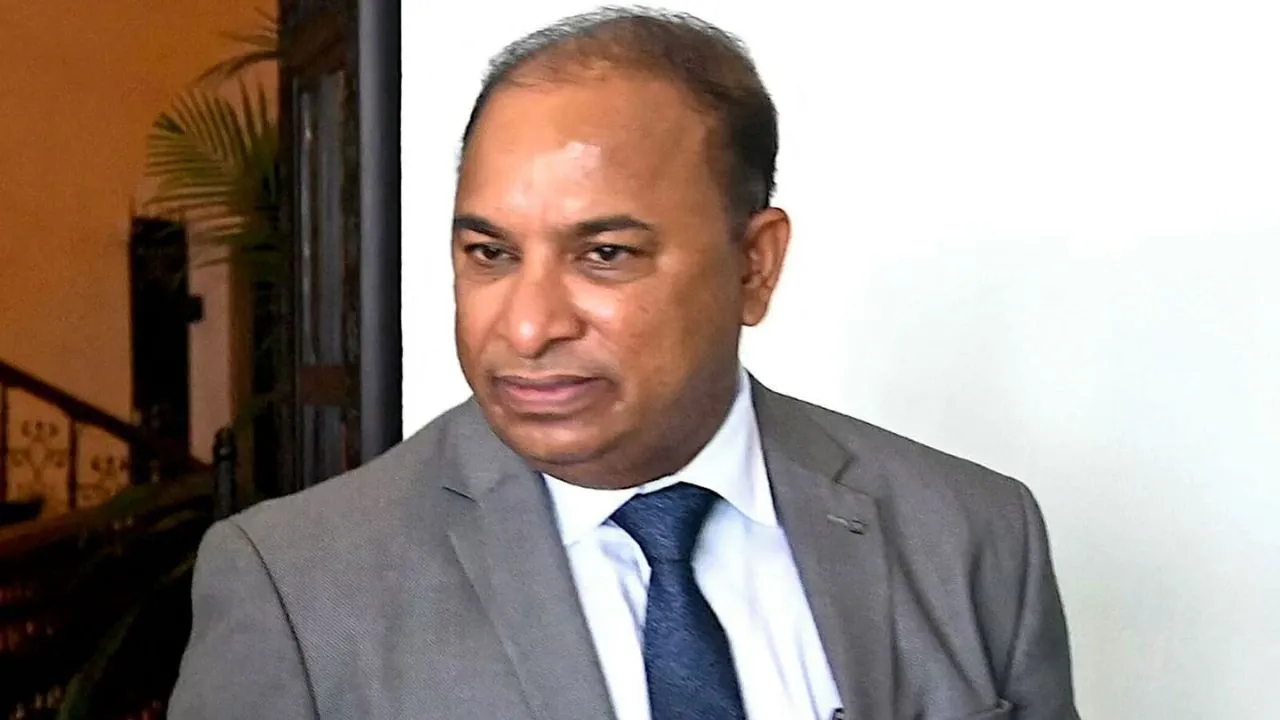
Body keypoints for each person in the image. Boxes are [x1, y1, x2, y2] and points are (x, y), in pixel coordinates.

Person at [169, 7, 1079, 720]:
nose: (528, 327)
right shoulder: (297, 587)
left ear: (754, 266)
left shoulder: (972, 534)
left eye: (605, 254)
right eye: (489, 253)